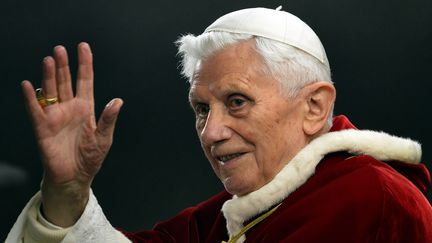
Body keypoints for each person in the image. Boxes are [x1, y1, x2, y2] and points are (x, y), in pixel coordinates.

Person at [6, 7, 432, 243]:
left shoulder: (370, 200)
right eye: (201, 108)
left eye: (237, 101)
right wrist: (68, 193)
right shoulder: (225, 217)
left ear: (314, 108)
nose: (211, 133)